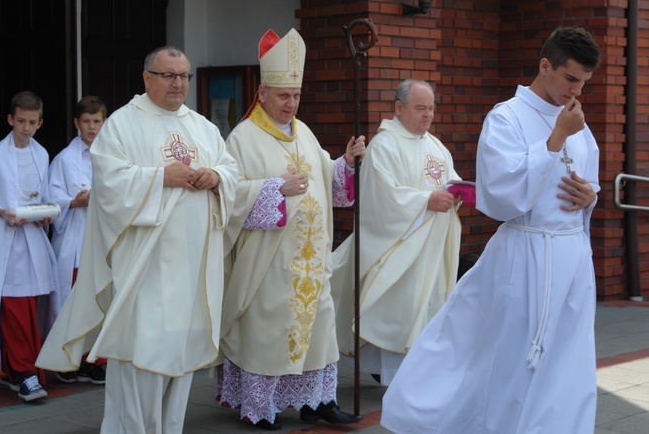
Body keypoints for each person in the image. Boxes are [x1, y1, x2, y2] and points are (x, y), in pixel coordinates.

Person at [381, 26, 602, 434]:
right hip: (525, 254)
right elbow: (501, 196)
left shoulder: (577, 123)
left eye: (584, 82)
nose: (576, 91)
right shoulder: (507, 117)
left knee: (568, 363)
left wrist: (590, 196)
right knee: (508, 359)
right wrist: (554, 140)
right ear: (545, 65)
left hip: (571, 258)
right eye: (570, 78)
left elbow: (586, 183)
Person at [36, 46, 238, 433]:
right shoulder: (123, 124)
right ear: (147, 78)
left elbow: (230, 171)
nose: (178, 83)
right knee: (141, 353)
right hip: (145, 269)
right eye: (169, 75)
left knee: (177, 358)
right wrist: (161, 176)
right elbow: (108, 183)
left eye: (184, 76)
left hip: (192, 269)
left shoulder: (203, 126)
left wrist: (216, 177)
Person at [216, 28, 365, 430]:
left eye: (296, 95)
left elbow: (326, 182)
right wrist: (273, 189)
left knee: (318, 330)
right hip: (269, 261)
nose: (291, 103)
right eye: (284, 96)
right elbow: (228, 199)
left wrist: (345, 165)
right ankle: (260, 408)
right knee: (269, 331)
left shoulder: (306, 132)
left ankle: (316, 401)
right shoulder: (241, 139)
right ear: (262, 94)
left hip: (311, 260)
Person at [331, 79, 467, 387]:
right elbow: (382, 197)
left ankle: (419, 374)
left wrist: (457, 192)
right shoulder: (384, 145)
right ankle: (395, 378)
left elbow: (449, 179)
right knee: (399, 310)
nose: (428, 116)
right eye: (420, 108)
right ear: (398, 108)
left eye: (431, 109)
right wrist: (426, 201)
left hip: (431, 250)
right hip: (399, 248)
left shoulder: (434, 145)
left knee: (426, 308)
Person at [0, 90, 59, 402]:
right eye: (21, 121)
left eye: (32, 122)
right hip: (4, 242)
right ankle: (25, 373)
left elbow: (42, 195)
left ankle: (13, 369)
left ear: (40, 122)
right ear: (10, 119)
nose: (26, 128)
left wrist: (44, 215)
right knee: (12, 308)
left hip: (31, 240)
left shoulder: (42, 154)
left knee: (30, 307)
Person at [45, 95, 107, 385]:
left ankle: (92, 360)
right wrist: (73, 201)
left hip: (102, 239)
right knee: (71, 300)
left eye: (97, 121)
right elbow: (51, 197)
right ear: (76, 123)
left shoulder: (112, 156)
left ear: (104, 122)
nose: (92, 127)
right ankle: (65, 360)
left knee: (99, 300)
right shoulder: (64, 160)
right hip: (75, 238)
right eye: (86, 121)